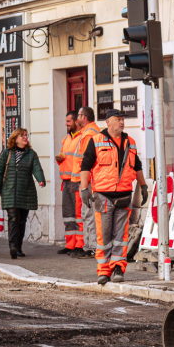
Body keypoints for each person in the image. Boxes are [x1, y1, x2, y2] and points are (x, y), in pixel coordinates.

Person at [79, 109, 147, 285]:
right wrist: (84, 189)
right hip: (103, 196)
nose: (122, 122)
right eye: (118, 119)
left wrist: (143, 185)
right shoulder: (96, 141)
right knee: (104, 236)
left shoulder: (129, 142)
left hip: (124, 195)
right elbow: (85, 166)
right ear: (108, 122)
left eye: (123, 119)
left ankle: (118, 267)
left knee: (121, 235)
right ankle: (104, 271)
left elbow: (137, 166)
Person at [0, 128, 47, 259]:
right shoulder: (7, 153)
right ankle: (13, 247)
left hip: (26, 192)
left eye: (26, 135)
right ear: (15, 139)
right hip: (9, 191)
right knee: (13, 219)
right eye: (22, 136)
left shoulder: (31, 154)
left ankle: (19, 247)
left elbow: (37, 168)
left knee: (22, 221)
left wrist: (41, 180)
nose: (25, 137)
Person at [72, 107, 102, 259]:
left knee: (89, 213)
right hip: (87, 179)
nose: (77, 118)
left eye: (78, 115)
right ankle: (89, 246)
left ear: (83, 117)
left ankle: (91, 247)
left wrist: (84, 185)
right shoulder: (92, 132)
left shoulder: (89, 134)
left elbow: (86, 161)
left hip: (88, 180)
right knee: (87, 214)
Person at [54, 111, 83, 255]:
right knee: (68, 215)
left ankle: (80, 245)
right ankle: (70, 244)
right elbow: (64, 155)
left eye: (68, 121)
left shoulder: (82, 138)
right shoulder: (65, 139)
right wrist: (59, 159)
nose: (66, 124)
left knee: (78, 214)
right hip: (65, 181)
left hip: (76, 181)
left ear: (76, 122)